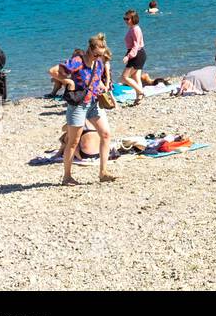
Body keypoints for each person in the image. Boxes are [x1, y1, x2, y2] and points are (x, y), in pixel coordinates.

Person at [48, 35, 115, 185]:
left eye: (101, 55)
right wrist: (68, 81)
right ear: (90, 49)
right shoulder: (78, 61)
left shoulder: (98, 63)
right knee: (73, 141)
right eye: (97, 54)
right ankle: (67, 176)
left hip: (93, 103)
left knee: (105, 134)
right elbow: (53, 71)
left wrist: (103, 88)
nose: (99, 57)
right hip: (78, 105)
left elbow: (96, 81)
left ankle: (103, 172)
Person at [121, 9, 147, 105]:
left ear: (133, 19)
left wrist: (128, 56)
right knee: (136, 77)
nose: (125, 21)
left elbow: (136, 46)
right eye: (125, 18)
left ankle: (141, 92)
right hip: (139, 54)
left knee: (124, 77)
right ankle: (138, 99)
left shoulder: (135, 29)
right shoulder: (133, 28)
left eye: (127, 19)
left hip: (137, 55)